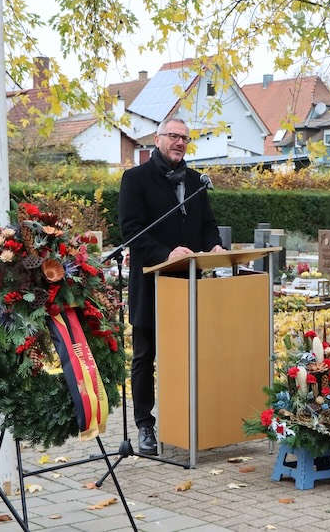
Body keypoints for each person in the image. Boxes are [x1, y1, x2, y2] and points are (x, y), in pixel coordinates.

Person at [118, 118, 224, 454]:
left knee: (186, 356)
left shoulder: (195, 181)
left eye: (185, 139)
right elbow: (131, 230)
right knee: (145, 356)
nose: (180, 143)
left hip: (188, 283)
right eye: (174, 136)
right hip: (151, 282)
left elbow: (207, 225)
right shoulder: (135, 179)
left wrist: (216, 246)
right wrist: (166, 252)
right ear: (158, 139)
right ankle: (145, 426)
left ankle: (184, 421)